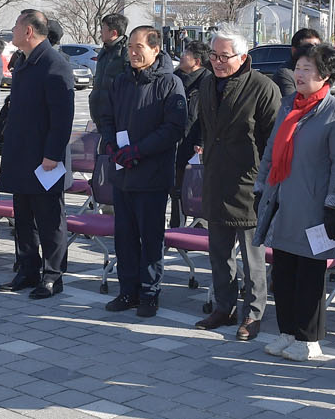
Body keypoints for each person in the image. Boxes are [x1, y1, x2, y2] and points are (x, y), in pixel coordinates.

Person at [254, 43, 335, 362]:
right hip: (283, 202)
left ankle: (308, 339)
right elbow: (271, 151)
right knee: (284, 272)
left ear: (325, 75)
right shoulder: (288, 105)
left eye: (307, 69)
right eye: (298, 68)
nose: (299, 74)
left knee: (309, 275)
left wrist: (333, 205)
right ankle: (287, 331)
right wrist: (261, 188)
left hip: (314, 207)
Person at [194, 32, 281, 340]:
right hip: (215, 178)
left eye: (224, 57)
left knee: (252, 256)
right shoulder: (207, 83)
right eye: (213, 56)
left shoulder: (262, 87)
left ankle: (253, 313)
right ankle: (224, 306)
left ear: (243, 57)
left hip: (248, 184)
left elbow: (273, 140)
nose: (217, 62)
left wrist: (265, 181)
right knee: (219, 252)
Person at [97, 27, 187, 318]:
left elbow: (173, 128)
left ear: (155, 49)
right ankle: (128, 291)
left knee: (150, 239)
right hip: (122, 174)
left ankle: (149, 293)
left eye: (139, 47)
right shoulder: (121, 81)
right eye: (130, 47)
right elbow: (106, 117)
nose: (133, 52)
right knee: (124, 237)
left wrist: (138, 150)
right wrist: (111, 145)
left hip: (152, 175)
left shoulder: (170, 83)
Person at [0, 9, 75, 299]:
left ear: (29, 31)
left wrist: (52, 154)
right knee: (24, 218)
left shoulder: (54, 64)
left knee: (49, 219)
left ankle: (53, 275)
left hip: (44, 159)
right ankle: (27, 269)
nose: (13, 31)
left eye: (16, 26)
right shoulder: (24, 61)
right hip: (21, 154)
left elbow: (62, 117)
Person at [169, 40, 212, 227]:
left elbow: (207, 115)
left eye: (186, 53)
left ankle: (200, 223)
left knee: (196, 185)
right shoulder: (175, 78)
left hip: (196, 142)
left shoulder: (208, 81)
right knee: (176, 185)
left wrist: (201, 142)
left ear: (197, 61)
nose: (182, 56)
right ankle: (176, 224)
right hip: (175, 139)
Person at [88, 12, 129, 126]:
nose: (100, 31)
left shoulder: (126, 52)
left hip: (116, 118)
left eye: (103, 28)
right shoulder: (105, 50)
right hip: (99, 115)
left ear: (113, 32)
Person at [271, 27, 322, 101]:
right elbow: (292, 102)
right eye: (308, 48)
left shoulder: (321, 71)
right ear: (294, 51)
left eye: (318, 48)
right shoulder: (285, 73)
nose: (314, 52)